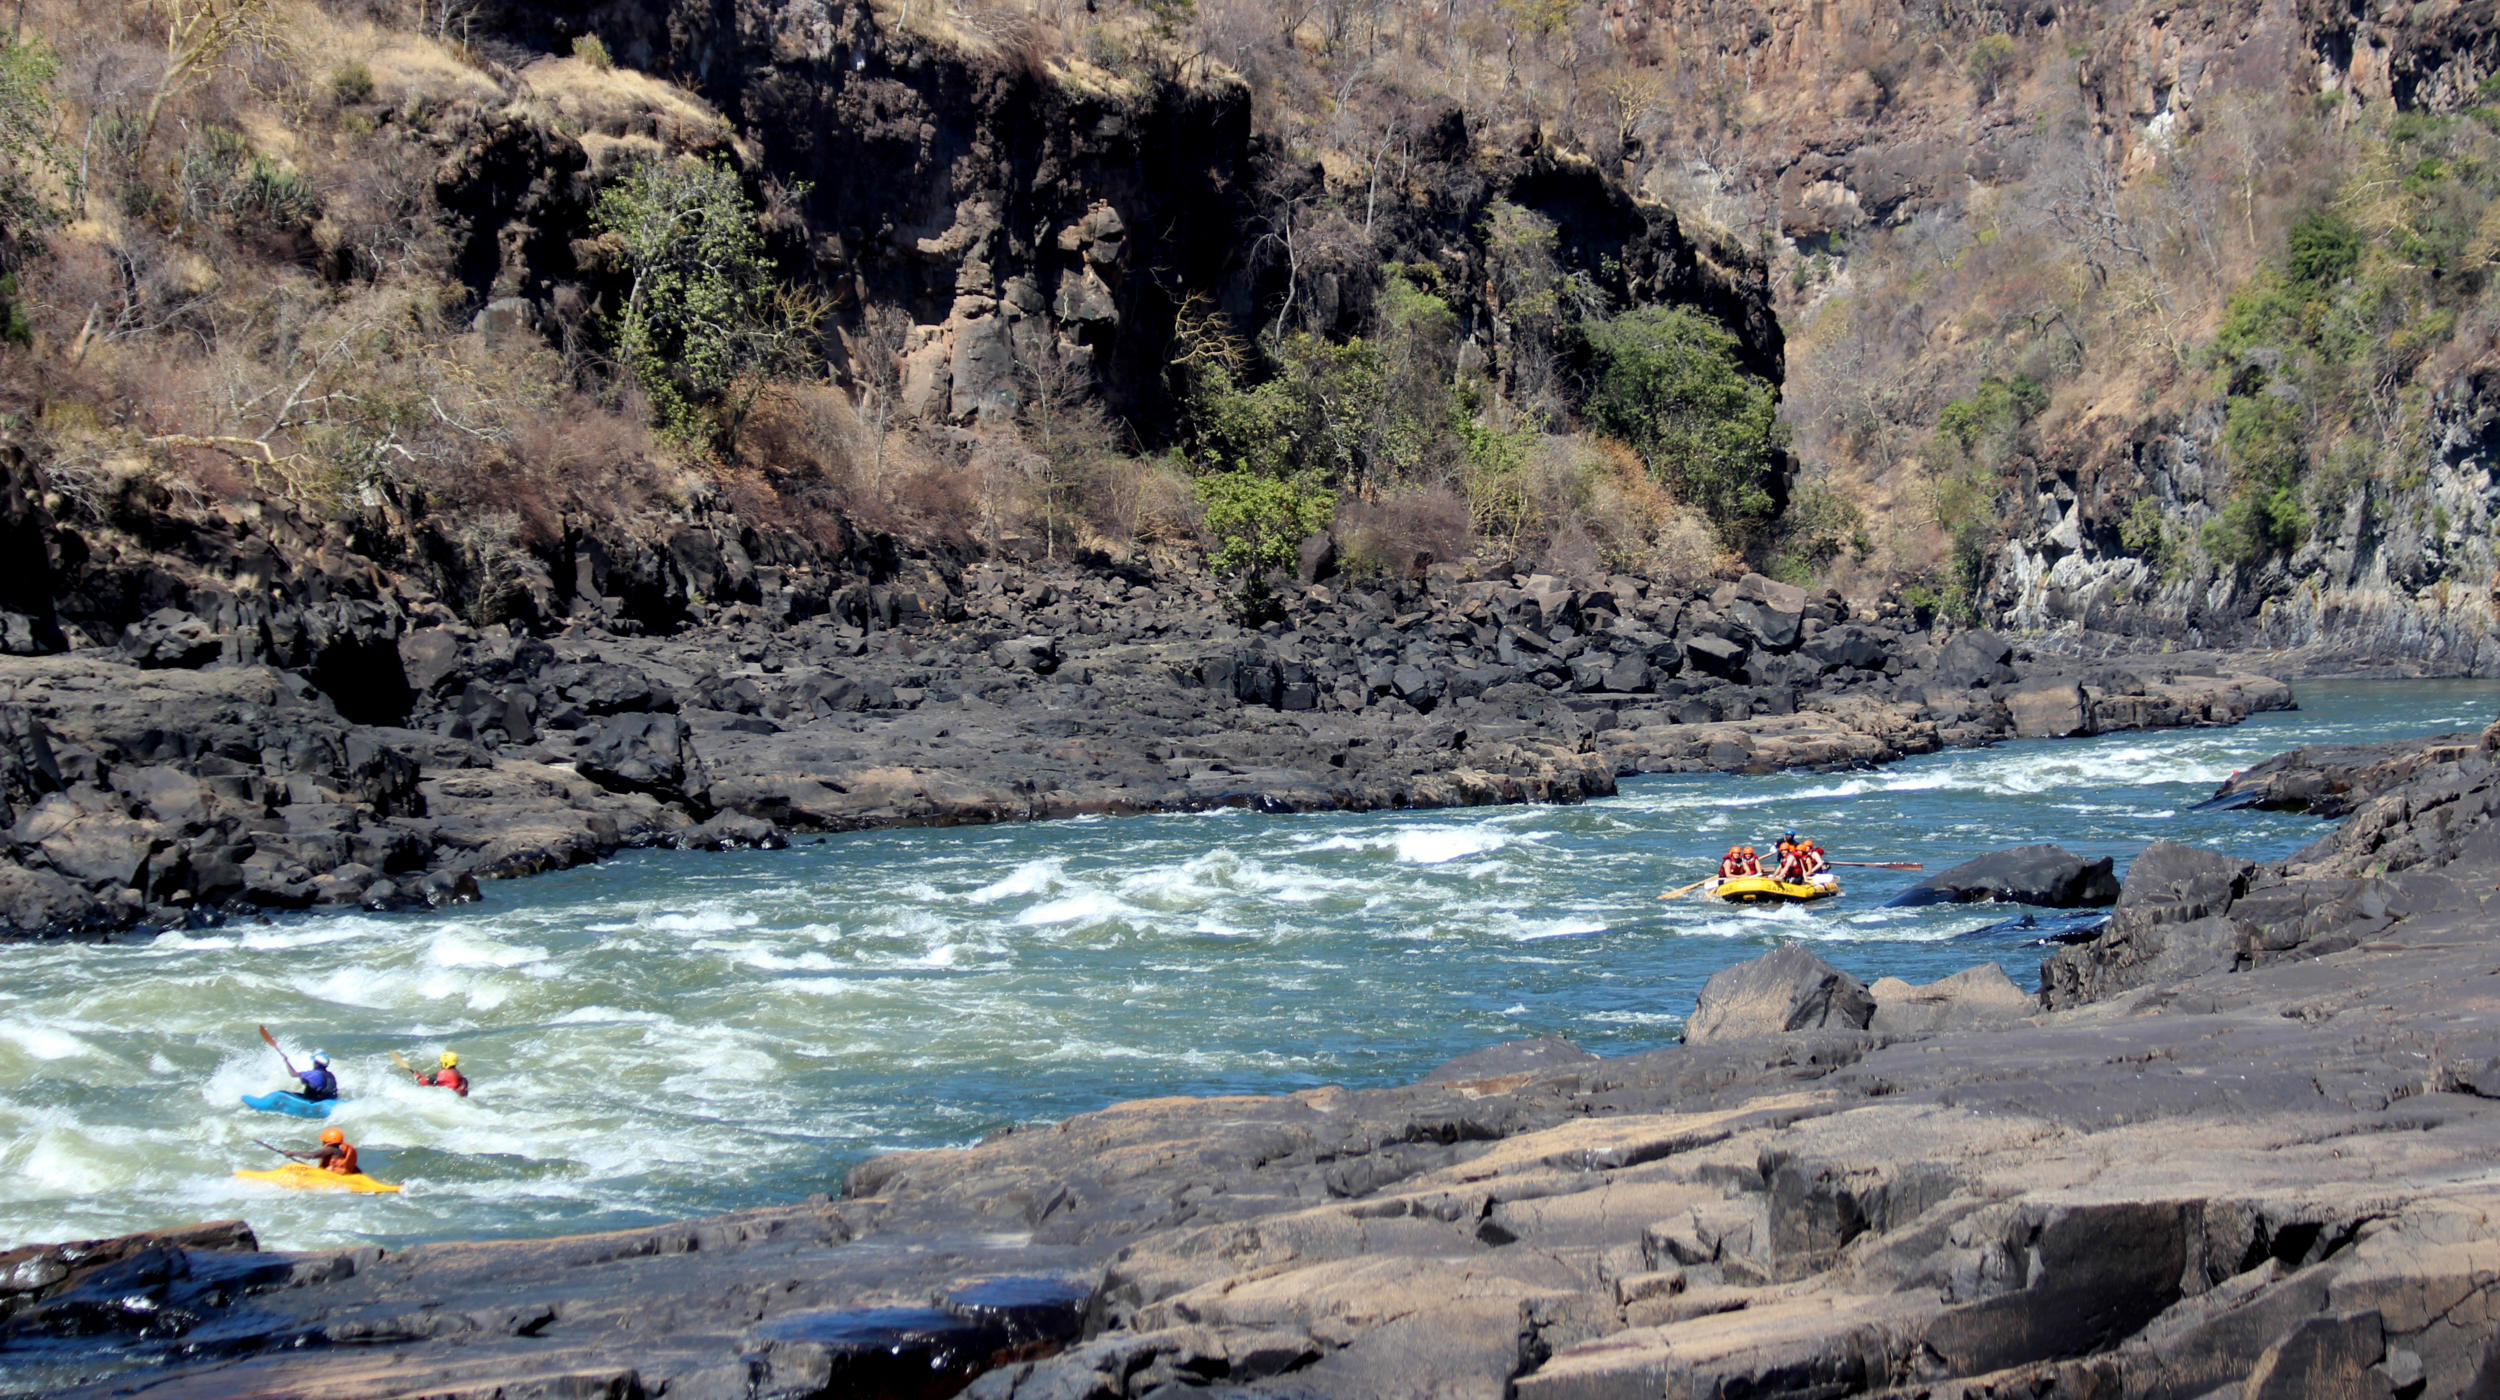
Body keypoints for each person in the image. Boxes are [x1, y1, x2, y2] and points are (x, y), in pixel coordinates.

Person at [283, 1127, 359, 1176]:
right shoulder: (338, 1150)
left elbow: (311, 1155)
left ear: (326, 1141)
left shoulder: (330, 1150)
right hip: (337, 1174)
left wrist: (292, 1153)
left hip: (332, 1176)